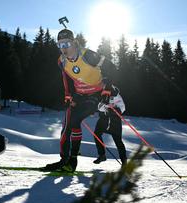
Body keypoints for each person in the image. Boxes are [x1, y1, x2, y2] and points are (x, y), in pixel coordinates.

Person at [44, 29, 116, 172]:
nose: (64, 48)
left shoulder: (88, 55)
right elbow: (66, 78)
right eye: (60, 45)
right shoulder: (61, 61)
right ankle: (66, 160)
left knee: (75, 120)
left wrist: (107, 89)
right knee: (67, 125)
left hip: (95, 94)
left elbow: (112, 68)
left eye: (66, 43)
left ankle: (71, 161)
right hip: (79, 95)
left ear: (74, 42)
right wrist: (68, 95)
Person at [93, 83, 127, 166]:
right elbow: (99, 107)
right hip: (104, 119)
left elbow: (122, 107)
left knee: (118, 141)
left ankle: (124, 161)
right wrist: (104, 108)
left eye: (107, 93)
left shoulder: (116, 95)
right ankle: (102, 155)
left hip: (114, 121)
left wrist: (115, 110)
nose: (105, 95)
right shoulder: (102, 93)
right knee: (96, 134)